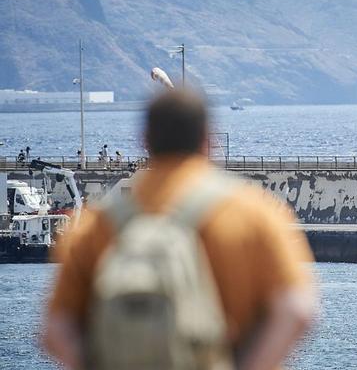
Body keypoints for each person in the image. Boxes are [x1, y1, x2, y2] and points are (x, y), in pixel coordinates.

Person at [43, 89, 317, 370]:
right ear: (208, 141)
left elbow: (56, 330)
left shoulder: (94, 227)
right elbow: (297, 311)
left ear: (145, 141)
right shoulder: (254, 214)